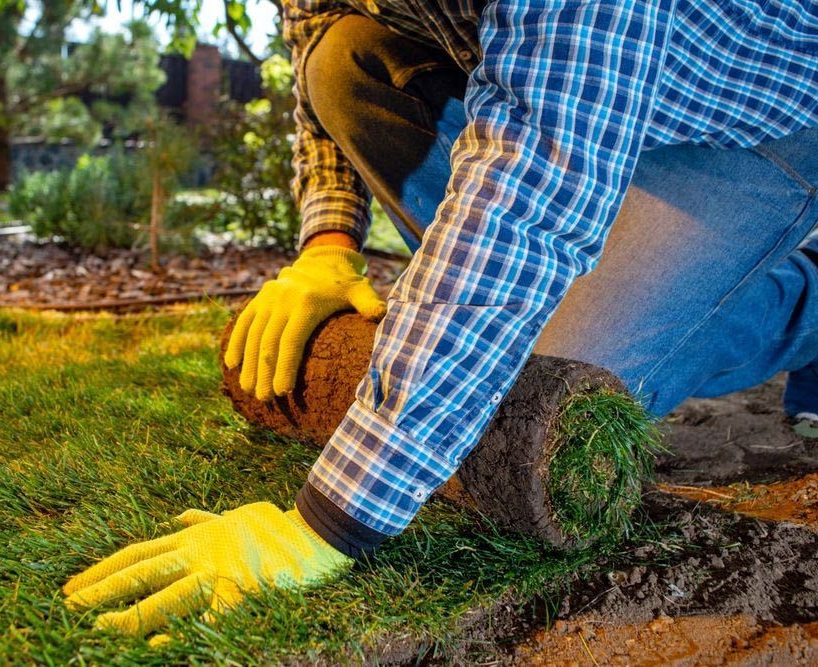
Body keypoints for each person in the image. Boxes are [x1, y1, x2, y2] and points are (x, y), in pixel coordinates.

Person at [62, 0, 818, 642]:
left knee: (565, 390)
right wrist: (327, 247)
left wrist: (327, 521)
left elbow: (537, 177)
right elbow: (316, 35)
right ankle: (490, 314)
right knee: (342, 57)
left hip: (756, 115)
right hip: (571, 90)